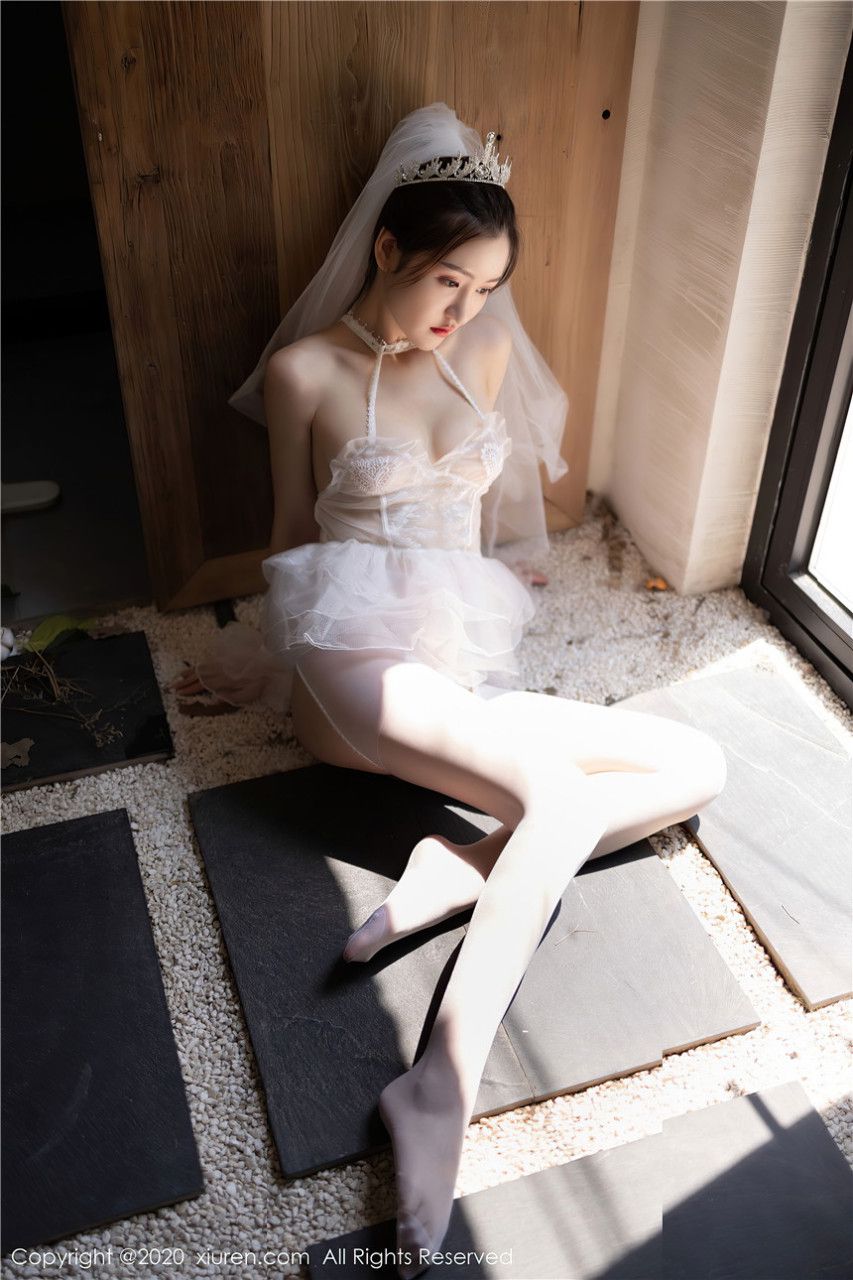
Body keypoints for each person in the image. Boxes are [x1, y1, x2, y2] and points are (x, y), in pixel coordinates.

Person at [169, 105, 727, 1279]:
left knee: (697, 765)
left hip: (443, 652)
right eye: (446, 281)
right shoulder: (306, 371)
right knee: (560, 796)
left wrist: (491, 578)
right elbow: (288, 538)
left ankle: (462, 863)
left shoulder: (478, 359)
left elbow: (472, 518)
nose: (463, 313)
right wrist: (248, 648)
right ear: (386, 250)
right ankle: (441, 1079)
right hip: (353, 666)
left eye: (484, 291)